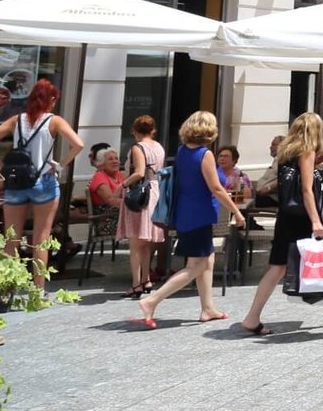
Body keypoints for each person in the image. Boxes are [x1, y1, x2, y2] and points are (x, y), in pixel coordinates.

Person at [238, 113, 323, 333]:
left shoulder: (285, 152)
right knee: (321, 261)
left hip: (286, 217)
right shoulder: (306, 151)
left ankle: (253, 317)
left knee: (278, 267)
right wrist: (315, 221)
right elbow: (306, 190)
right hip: (303, 219)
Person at [134, 112, 245, 327]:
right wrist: (236, 212)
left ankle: (208, 308)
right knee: (195, 265)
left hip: (187, 214)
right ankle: (151, 301)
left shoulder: (183, 152)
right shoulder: (205, 155)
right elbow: (216, 188)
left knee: (208, 260)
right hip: (199, 215)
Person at [0, 80, 85, 293]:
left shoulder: (17, 120)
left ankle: (5, 292)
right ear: (51, 100)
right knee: (41, 238)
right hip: (43, 181)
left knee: (11, 238)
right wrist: (60, 164)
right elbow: (78, 144)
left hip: (16, 182)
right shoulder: (54, 121)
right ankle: (38, 291)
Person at [117, 115, 166, 299]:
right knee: (145, 243)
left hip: (139, 193)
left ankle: (136, 284)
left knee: (135, 243)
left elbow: (138, 172)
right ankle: (146, 279)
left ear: (135, 130)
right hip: (154, 192)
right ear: (153, 130)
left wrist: (121, 186)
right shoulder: (158, 147)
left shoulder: (138, 147)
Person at [253, 135, 284, 209]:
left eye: (274, 145)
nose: (270, 147)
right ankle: (249, 220)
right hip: (261, 194)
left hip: (271, 197)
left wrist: (269, 188)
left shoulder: (282, 161)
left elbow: (283, 179)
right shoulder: (276, 160)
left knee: (242, 201)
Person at [87, 144, 122, 209]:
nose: (115, 161)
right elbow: (110, 201)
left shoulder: (119, 175)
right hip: (108, 215)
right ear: (101, 164)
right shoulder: (99, 176)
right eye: (110, 159)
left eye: (116, 158)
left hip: (121, 211)